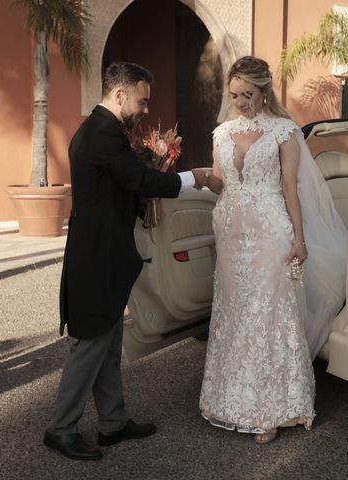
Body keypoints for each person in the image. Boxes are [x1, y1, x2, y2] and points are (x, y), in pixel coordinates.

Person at [44, 61, 208, 461]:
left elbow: (122, 186)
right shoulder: (102, 134)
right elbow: (140, 179)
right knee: (91, 343)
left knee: (109, 339)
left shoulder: (105, 130)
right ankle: (60, 429)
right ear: (120, 95)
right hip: (96, 257)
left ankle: (113, 423)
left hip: (105, 253)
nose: (146, 109)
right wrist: (193, 177)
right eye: (143, 100)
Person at [198, 56, 347, 444]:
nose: (241, 102)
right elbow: (220, 182)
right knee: (234, 313)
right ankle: (226, 400)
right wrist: (194, 178)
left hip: (269, 232)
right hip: (231, 232)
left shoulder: (283, 130)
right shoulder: (222, 132)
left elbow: (290, 189)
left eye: (248, 94)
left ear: (264, 92)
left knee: (267, 314)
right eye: (234, 95)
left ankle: (271, 409)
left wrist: (299, 239)